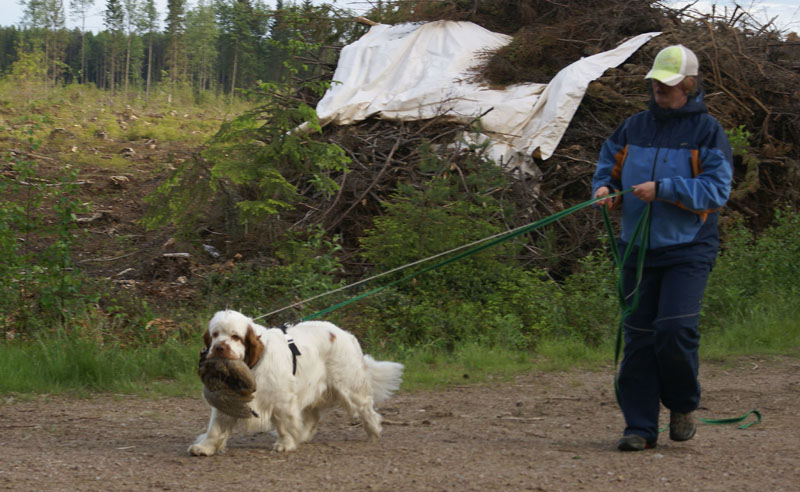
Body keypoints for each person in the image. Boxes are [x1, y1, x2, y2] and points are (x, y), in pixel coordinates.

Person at [592, 44, 733, 451]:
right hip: (636, 247)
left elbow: (715, 190)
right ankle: (639, 427)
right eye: (655, 84)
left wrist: (665, 190)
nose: (659, 91)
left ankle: (683, 404)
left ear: (688, 86)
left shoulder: (708, 132)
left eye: (668, 86)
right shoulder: (632, 127)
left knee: (674, 330)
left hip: (689, 247)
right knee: (638, 339)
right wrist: (606, 189)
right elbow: (608, 166)